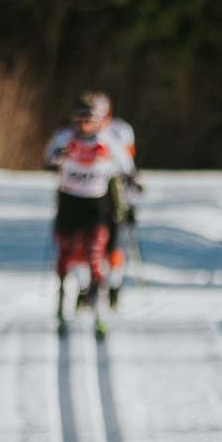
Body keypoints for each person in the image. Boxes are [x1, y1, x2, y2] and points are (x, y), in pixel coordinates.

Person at [44, 91, 138, 335]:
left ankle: (100, 310)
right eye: (79, 120)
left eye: (89, 120)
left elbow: (128, 170)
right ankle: (63, 304)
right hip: (69, 204)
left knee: (95, 256)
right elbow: (47, 160)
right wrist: (58, 158)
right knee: (65, 258)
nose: (84, 126)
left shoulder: (108, 140)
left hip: (96, 207)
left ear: (98, 120)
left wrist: (129, 203)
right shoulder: (64, 137)